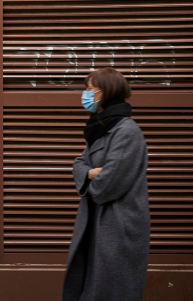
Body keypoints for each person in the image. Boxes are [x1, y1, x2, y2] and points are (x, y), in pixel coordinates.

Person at [62, 68, 150, 301]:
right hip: (96, 224)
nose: (85, 94)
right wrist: (90, 172)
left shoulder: (126, 131)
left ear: (105, 92)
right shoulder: (101, 129)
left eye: (89, 89)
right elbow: (79, 163)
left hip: (118, 227)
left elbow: (108, 185)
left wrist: (92, 176)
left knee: (111, 292)